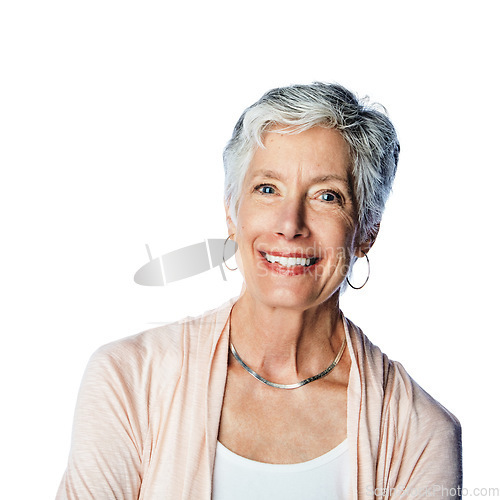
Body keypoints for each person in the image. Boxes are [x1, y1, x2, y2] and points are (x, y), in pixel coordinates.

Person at [56, 82, 462, 499]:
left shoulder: (421, 432)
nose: (290, 224)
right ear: (232, 212)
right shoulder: (128, 379)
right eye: (267, 189)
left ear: (367, 230)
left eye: (327, 196)